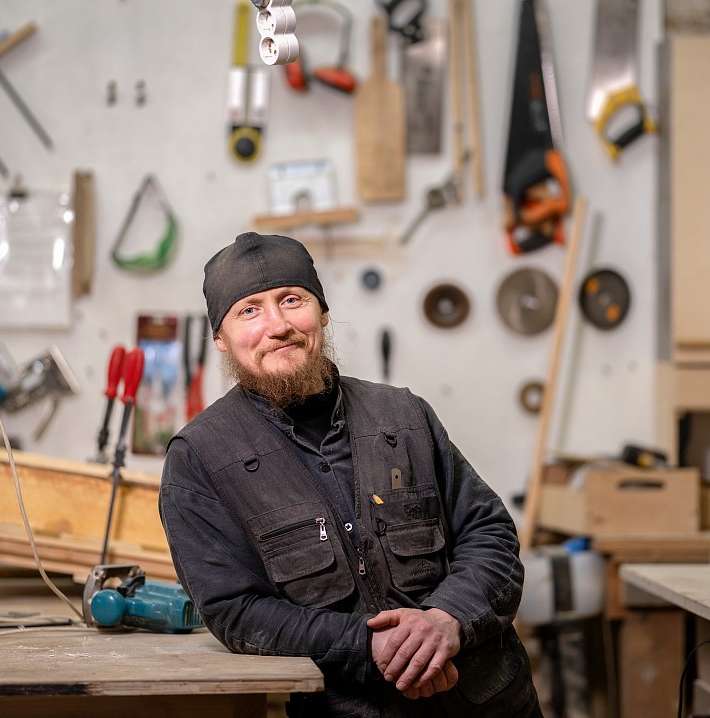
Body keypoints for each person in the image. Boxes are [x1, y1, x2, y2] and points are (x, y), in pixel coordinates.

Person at [159, 232, 542, 718]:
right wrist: (370, 646)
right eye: (249, 311)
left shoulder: (404, 415)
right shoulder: (199, 459)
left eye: (291, 300)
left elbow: (488, 534)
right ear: (221, 339)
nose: (277, 326)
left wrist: (447, 619)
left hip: (489, 702)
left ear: (322, 312)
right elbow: (236, 610)